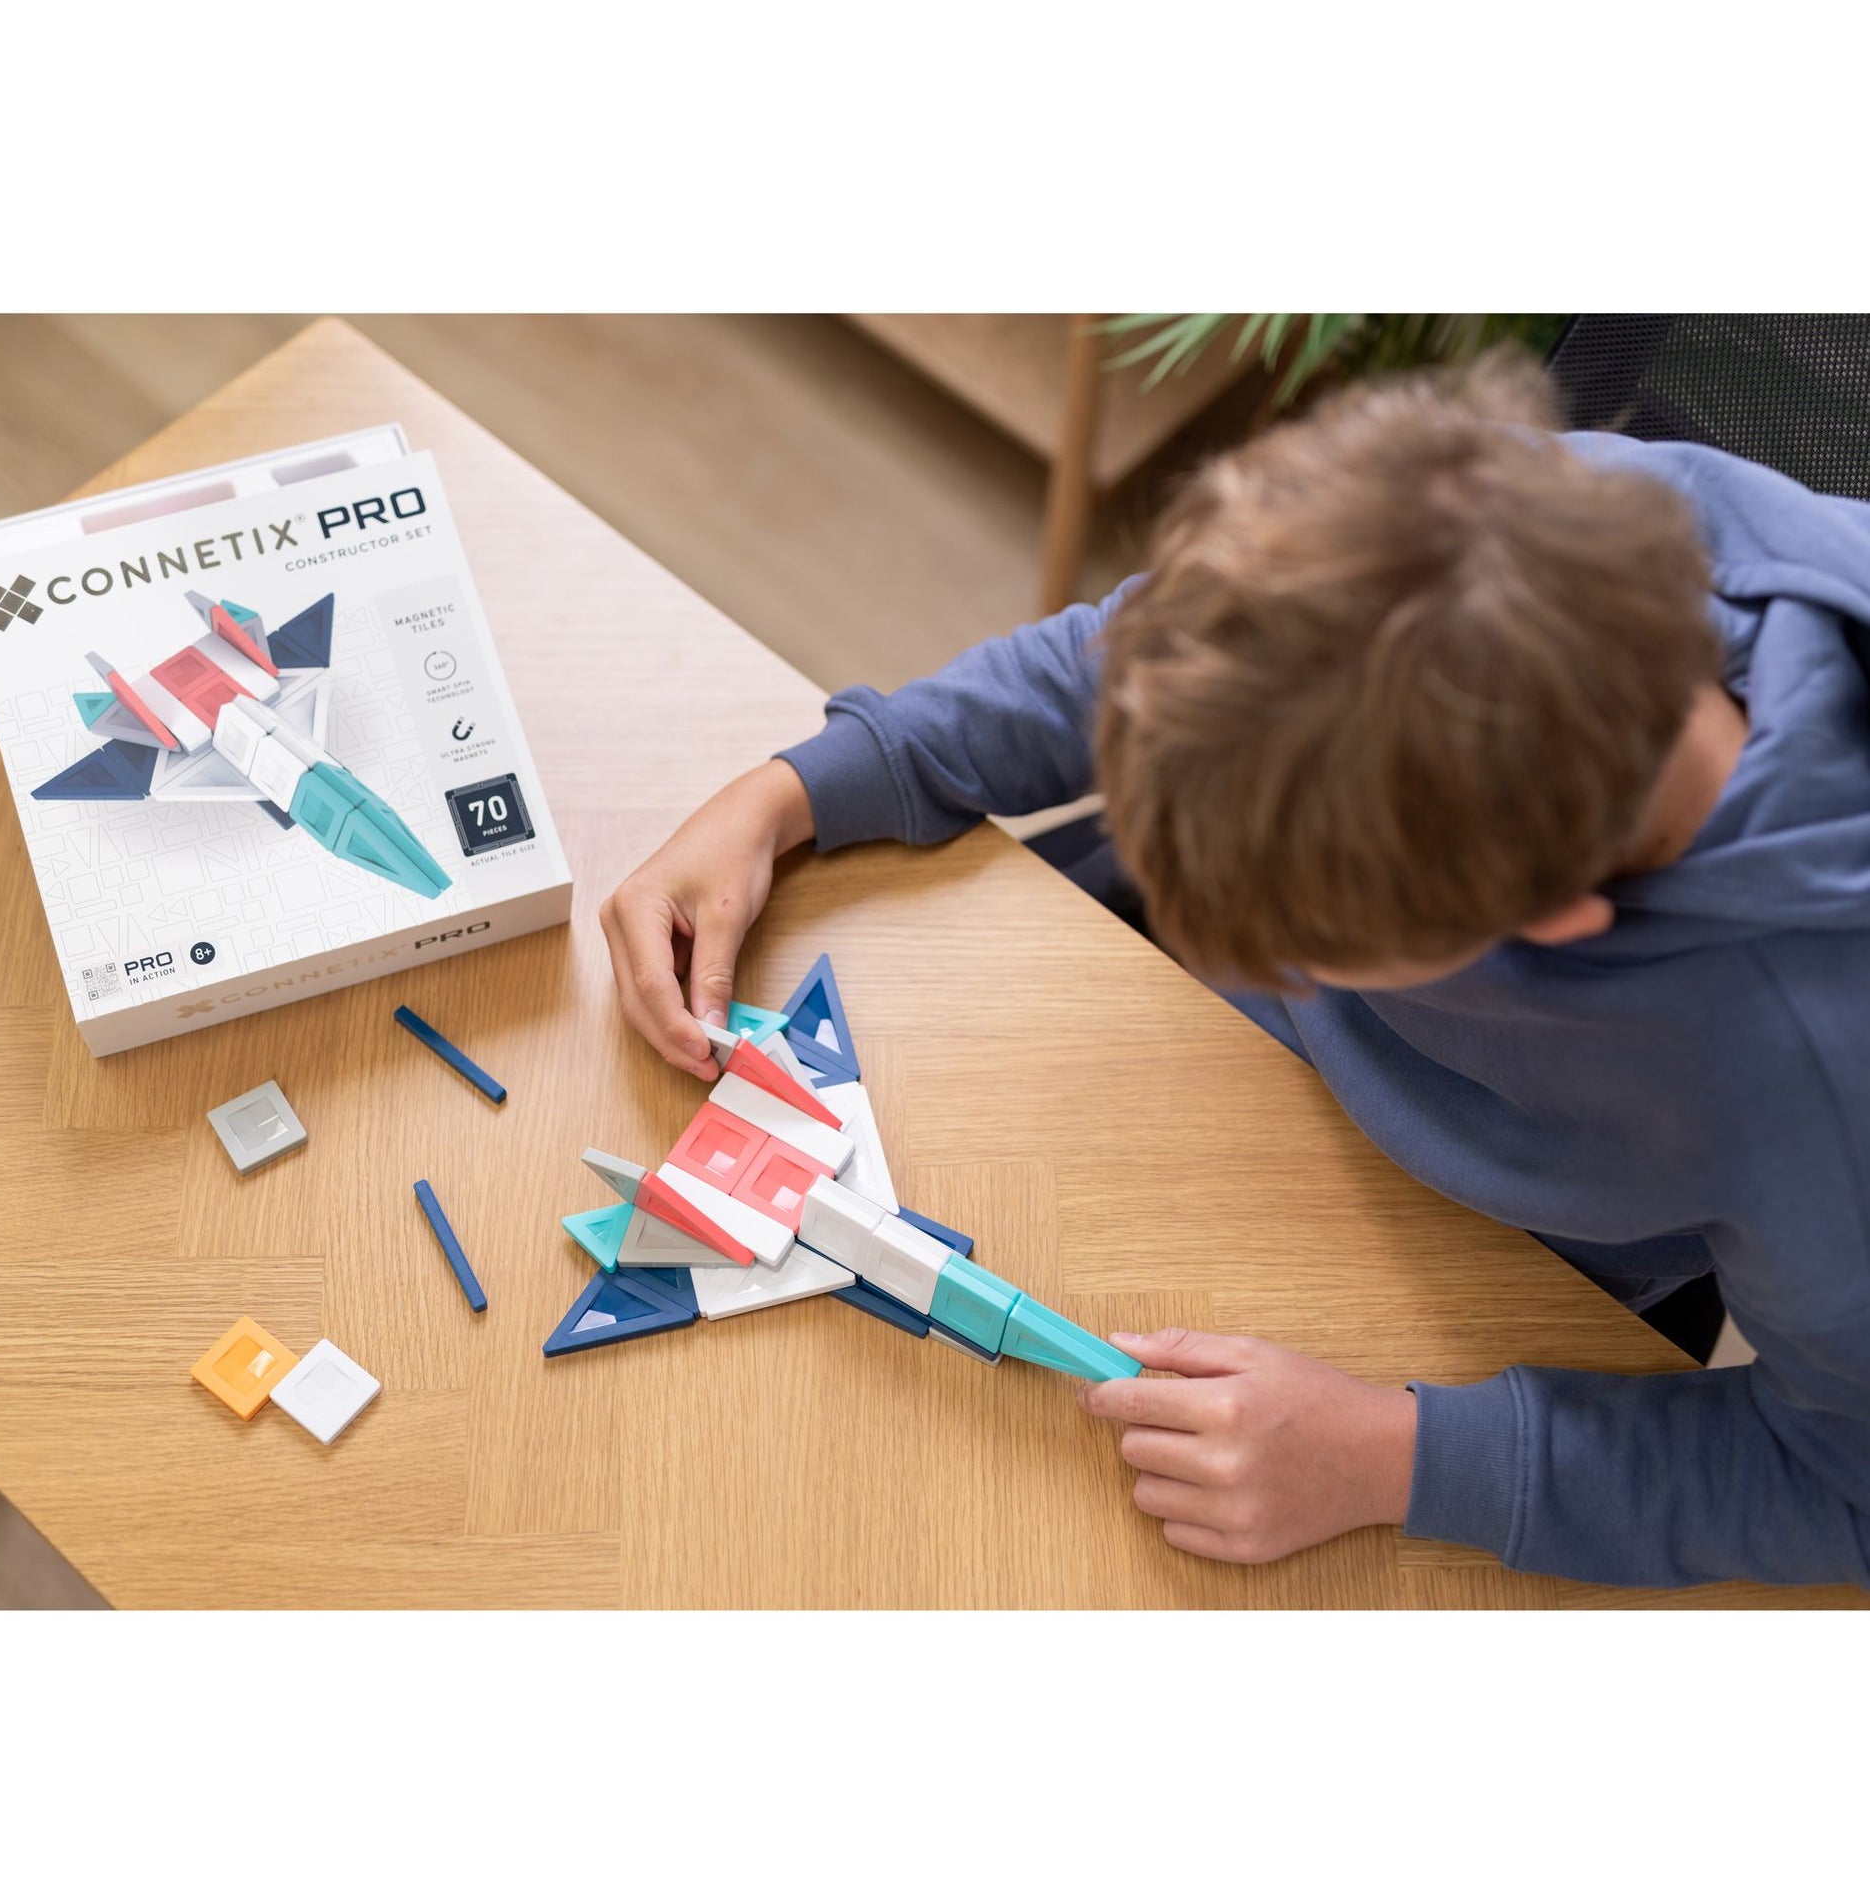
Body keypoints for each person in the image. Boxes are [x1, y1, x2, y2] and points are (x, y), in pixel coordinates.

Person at [600, 356, 1870, 1589]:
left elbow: (1839, 1484)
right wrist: (792, 794)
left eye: (1310, 936)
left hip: (1502, 1264)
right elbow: (1136, 659)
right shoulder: (1516, 523)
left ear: (1551, 918)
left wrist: (1399, 1457)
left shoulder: (1819, 1097)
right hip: (1231, 1079)